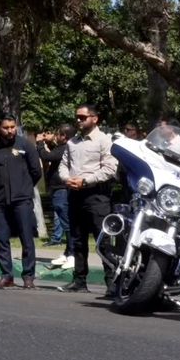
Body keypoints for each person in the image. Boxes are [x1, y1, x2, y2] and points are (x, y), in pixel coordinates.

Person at [58, 104, 119, 295]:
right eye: (77, 117)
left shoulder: (104, 141)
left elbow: (110, 168)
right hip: (75, 194)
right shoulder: (72, 142)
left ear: (94, 118)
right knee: (77, 239)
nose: (78, 120)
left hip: (97, 196)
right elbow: (63, 165)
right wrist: (67, 179)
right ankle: (79, 280)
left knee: (103, 240)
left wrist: (86, 181)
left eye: (82, 117)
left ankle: (112, 283)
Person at [0, 115, 42, 288]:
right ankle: (6, 276)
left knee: (26, 238)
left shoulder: (25, 145)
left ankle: (28, 276)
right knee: (2, 238)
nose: (10, 131)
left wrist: (24, 187)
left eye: (12, 127)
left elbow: (36, 171)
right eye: (6, 127)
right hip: (0, 201)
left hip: (21, 200)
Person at [39, 126, 74, 268]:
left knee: (67, 223)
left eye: (57, 134)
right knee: (64, 221)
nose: (55, 136)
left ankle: (72, 254)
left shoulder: (66, 148)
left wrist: (40, 143)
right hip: (57, 189)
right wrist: (48, 143)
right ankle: (68, 252)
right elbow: (54, 153)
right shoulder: (62, 148)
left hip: (61, 190)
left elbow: (47, 156)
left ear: (64, 136)